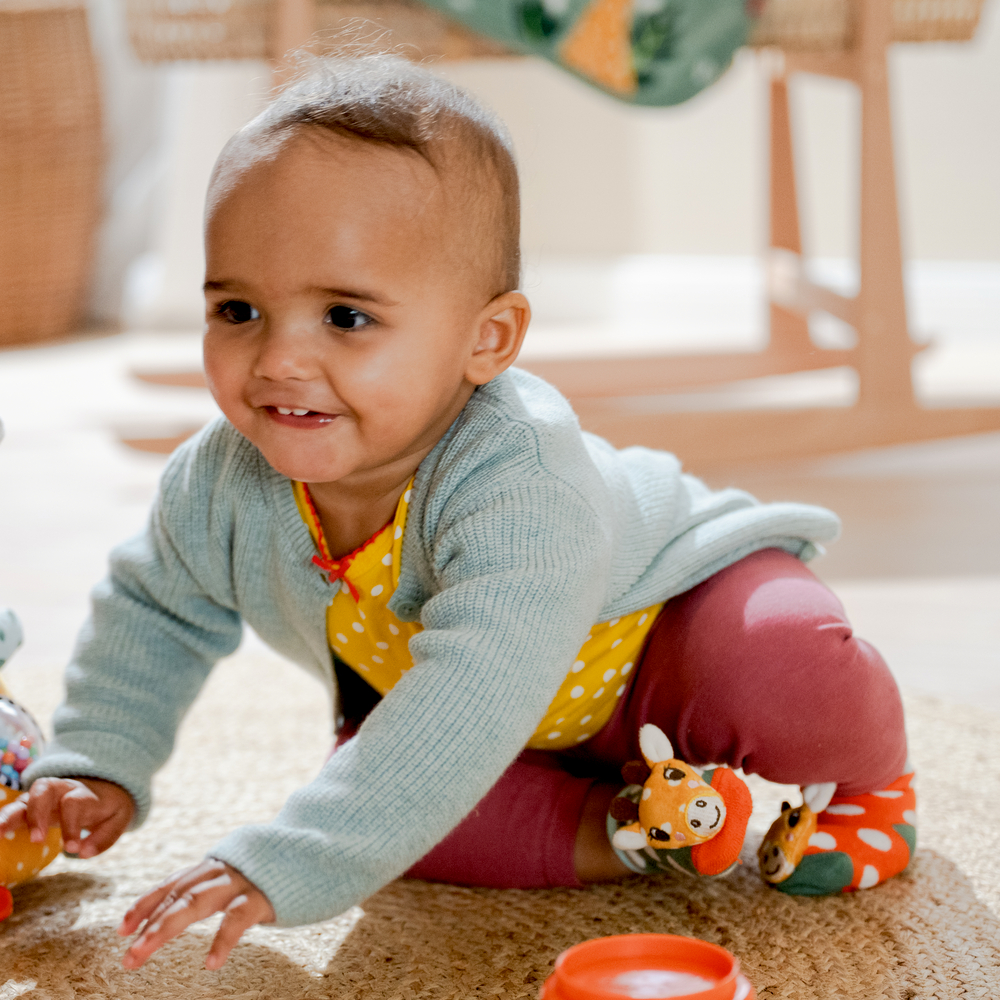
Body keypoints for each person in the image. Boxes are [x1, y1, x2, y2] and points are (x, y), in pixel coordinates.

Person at [0, 55, 912, 971]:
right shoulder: (222, 480)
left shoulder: (517, 480)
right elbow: (156, 606)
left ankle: (878, 788)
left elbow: (472, 691)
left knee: (789, 668)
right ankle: (638, 826)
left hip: (664, 629)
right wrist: (96, 756)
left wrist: (299, 857)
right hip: (490, 729)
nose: (278, 358)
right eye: (237, 308)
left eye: (346, 318)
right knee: (404, 818)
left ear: (488, 339)